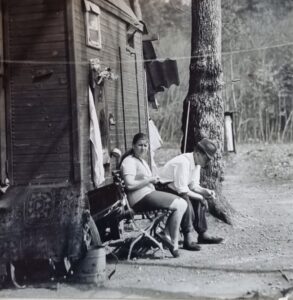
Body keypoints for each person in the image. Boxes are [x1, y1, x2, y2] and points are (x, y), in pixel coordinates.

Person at [120, 133, 187, 258]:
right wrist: (149, 180)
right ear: (133, 146)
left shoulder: (141, 161)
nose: (143, 148)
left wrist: (153, 180)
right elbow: (129, 185)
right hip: (139, 199)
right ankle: (172, 242)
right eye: (140, 145)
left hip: (148, 194)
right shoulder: (129, 161)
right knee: (181, 204)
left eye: (145, 145)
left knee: (182, 203)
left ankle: (166, 235)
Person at [158, 138, 224, 252]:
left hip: (176, 188)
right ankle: (187, 237)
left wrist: (205, 192)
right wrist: (200, 197)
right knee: (185, 200)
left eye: (209, 159)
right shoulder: (184, 162)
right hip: (163, 188)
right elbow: (182, 190)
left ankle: (202, 233)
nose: (207, 162)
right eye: (206, 158)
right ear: (198, 153)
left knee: (197, 198)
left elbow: (193, 186)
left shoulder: (196, 163)